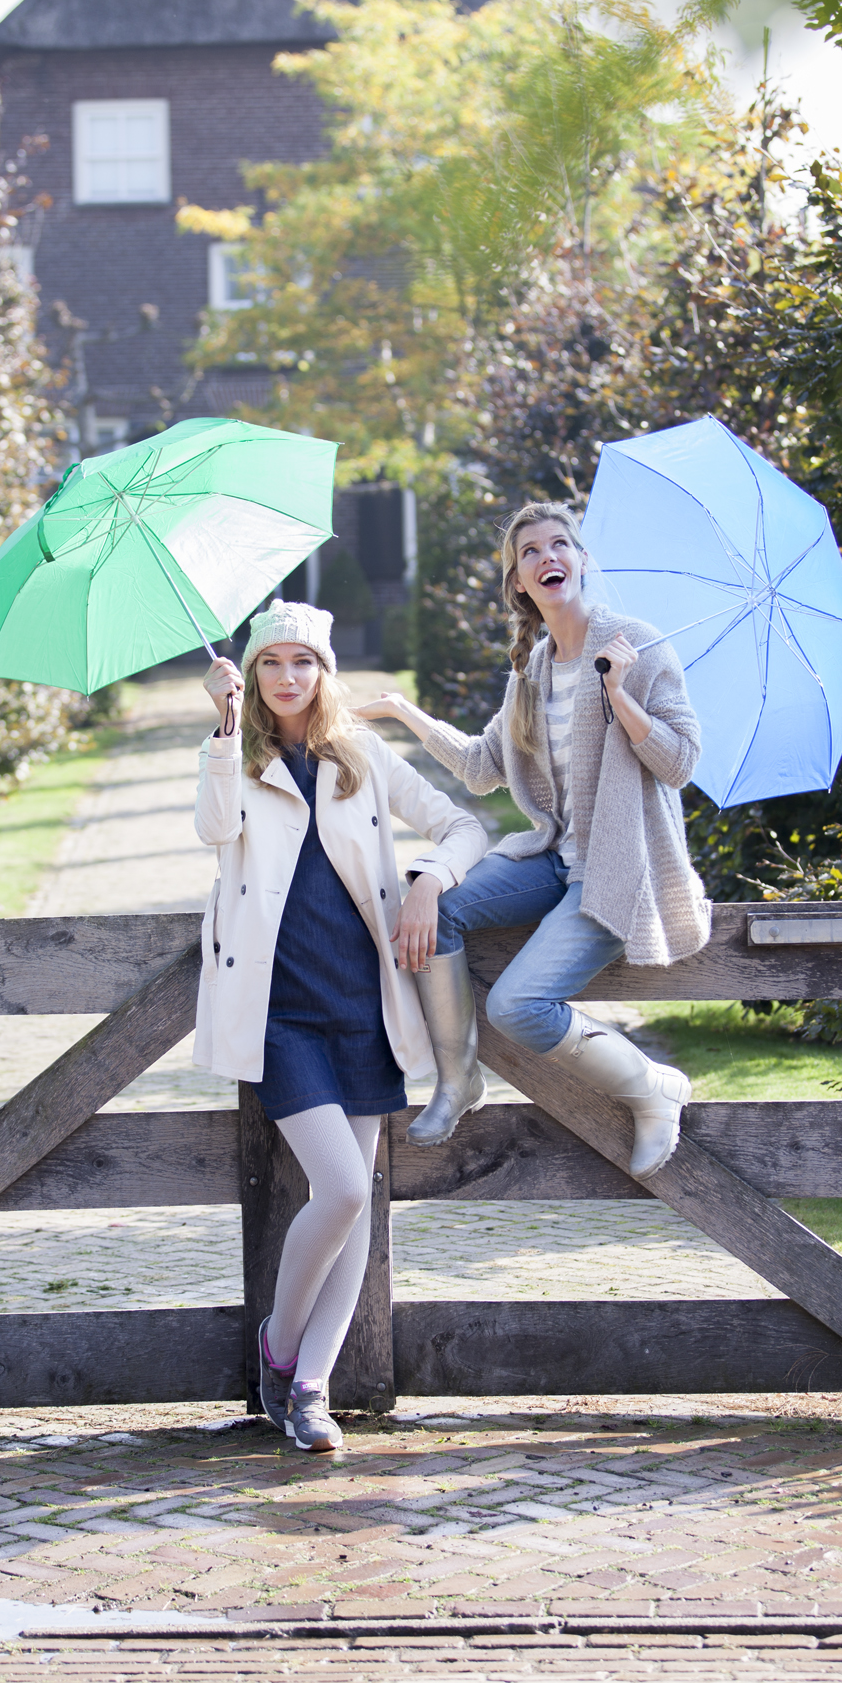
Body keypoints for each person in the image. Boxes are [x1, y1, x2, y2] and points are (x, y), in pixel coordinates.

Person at [195, 601, 487, 1453]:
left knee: (356, 1205)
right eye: (271, 662)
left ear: (325, 673)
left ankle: (309, 1391)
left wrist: (429, 881)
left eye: (304, 662)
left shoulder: (361, 753)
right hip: (279, 1014)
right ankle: (279, 1348)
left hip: (364, 1007)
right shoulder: (238, 757)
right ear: (252, 674)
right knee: (347, 1190)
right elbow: (213, 829)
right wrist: (224, 727)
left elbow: (463, 824)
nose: (288, 677)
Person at [355, 501, 711, 1180]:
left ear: (582, 560)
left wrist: (621, 693)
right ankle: (459, 1079)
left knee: (517, 1006)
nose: (549, 557)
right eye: (531, 552)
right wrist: (402, 712)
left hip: (614, 872)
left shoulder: (637, 647)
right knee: (437, 908)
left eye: (560, 544)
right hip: (552, 860)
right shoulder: (534, 669)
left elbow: (680, 763)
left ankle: (650, 1086)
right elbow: (480, 767)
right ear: (518, 581)